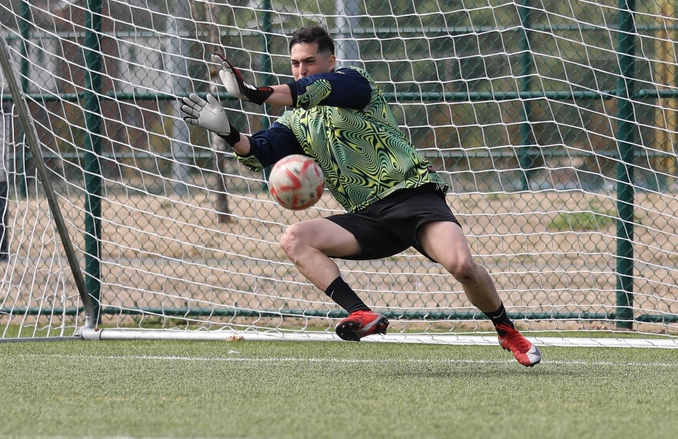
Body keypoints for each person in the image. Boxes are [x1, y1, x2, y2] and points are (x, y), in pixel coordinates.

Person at [180, 25, 541, 367]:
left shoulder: (354, 83)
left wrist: (254, 93)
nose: (302, 70)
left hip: (412, 196)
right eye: (295, 63)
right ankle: (360, 312)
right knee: (295, 238)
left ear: (330, 62)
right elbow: (259, 152)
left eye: (309, 62)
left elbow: (315, 89)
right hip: (366, 218)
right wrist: (228, 132)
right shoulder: (293, 122)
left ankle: (506, 331)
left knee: (463, 267)